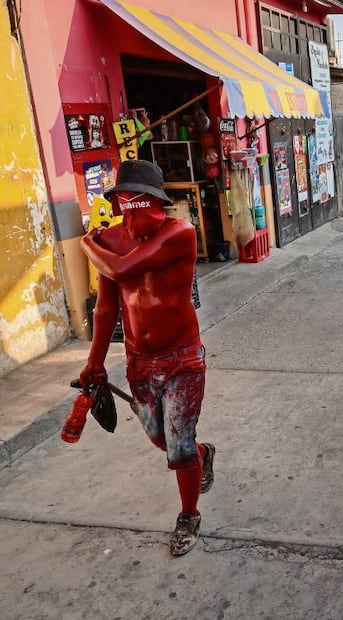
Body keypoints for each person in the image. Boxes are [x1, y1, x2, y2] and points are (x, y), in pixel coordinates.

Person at [78, 159, 215, 557]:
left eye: (140, 203)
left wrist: (87, 243)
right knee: (161, 437)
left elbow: (123, 271)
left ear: (152, 201)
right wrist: (95, 361)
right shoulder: (112, 242)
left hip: (182, 357)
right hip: (139, 361)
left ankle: (188, 514)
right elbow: (106, 308)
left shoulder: (180, 233)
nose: (132, 211)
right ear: (121, 201)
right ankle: (202, 455)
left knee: (179, 446)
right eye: (124, 201)